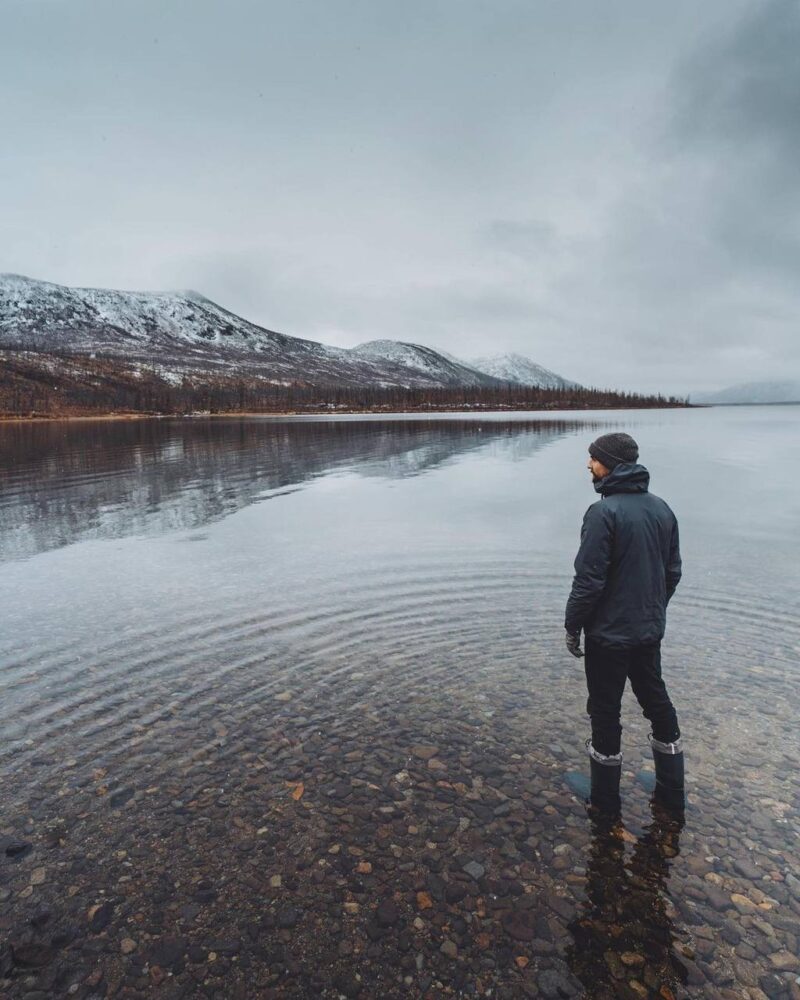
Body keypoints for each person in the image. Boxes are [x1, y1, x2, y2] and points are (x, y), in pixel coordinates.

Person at [564, 432, 684, 815]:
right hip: (648, 631)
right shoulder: (662, 508)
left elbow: (588, 581)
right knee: (656, 700)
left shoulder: (602, 513)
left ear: (611, 464)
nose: (588, 465)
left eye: (593, 459)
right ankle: (670, 787)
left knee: (604, 709)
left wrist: (573, 625)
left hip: (609, 636)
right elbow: (673, 572)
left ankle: (603, 798)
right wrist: (650, 610)